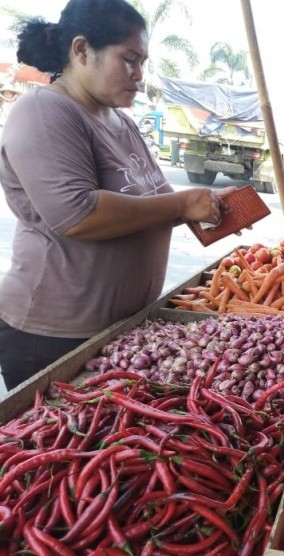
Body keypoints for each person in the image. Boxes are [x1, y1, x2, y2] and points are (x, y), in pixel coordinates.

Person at [0, 0, 233, 390]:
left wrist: (201, 204)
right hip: (55, 336)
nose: (139, 75)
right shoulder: (44, 111)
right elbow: (77, 213)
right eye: (129, 59)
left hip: (120, 329)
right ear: (81, 50)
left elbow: (150, 202)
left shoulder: (120, 121)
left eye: (142, 61)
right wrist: (180, 203)